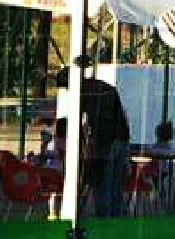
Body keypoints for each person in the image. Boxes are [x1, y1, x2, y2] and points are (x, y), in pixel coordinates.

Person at [56, 66, 130, 217]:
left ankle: (104, 222)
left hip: (105, 141)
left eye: (67, 87)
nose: (68, 91)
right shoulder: (104, 87)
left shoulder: (83, 91)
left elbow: (77, 119)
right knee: (115, 188)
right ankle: (116, 222)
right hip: (122, 138)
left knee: (103, 186)